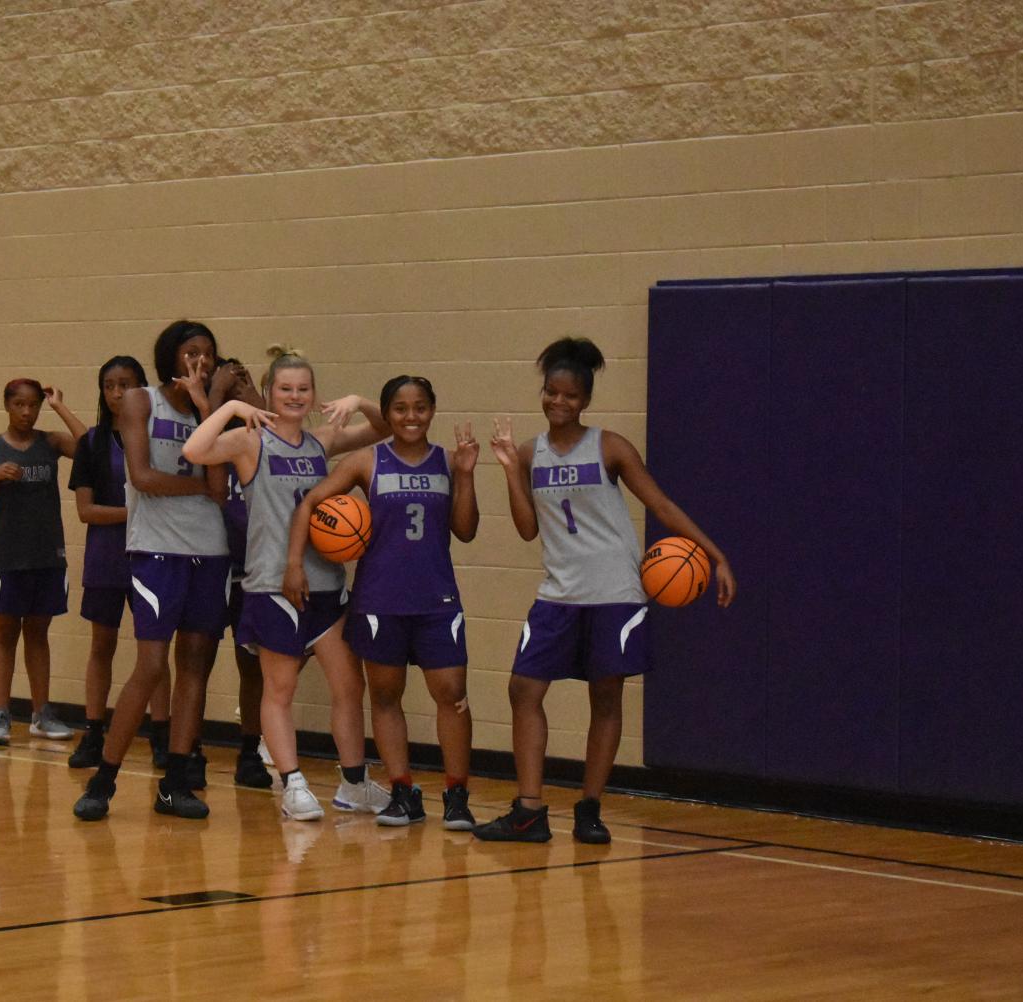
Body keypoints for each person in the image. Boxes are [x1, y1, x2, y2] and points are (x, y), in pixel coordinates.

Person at [472, 338, 737, 843]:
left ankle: (589, 808)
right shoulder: (530, 453)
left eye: (570, 396)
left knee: (606, 698)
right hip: (558, 592)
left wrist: (715, 554)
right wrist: (509, 470)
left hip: (615, 591)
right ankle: (529, 810)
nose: (559, 402)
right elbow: (528, 529)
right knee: (522, 689)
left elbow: (661, 506)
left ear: (585, 401)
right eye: (552, 392)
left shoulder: (610, 446)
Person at [183, 347, 394, 822]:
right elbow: (194, 451)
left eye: (303, 389)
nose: (295, 396)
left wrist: (360, 400)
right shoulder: (249, 441)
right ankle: (293, 783)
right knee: (279, 690)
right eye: (285, 389)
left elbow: (385, 429)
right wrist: (233, 408)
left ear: (313, 394)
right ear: (270, 391)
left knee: (348, 685)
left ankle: (354, 784)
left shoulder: (321, 443)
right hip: (273, 584)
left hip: (325, 584)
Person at [288, 375, 480, 830]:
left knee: (452, 696)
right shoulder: (365, 461)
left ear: (432, 410)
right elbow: (311, 503)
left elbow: (467, 530)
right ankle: (402, 792)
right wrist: (295, 562)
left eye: (419, 408)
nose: (409, 417)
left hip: (437, 598)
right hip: (380, 599)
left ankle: (457, 795)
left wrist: (468, 475)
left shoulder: (450, 462)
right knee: (386, 697)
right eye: (399, 408)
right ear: (388, 413)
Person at [72, 320, 232, 821]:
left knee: (195, 668)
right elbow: (142, 477)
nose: (200, 362)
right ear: (170, 358)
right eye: (190, 353)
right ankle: (105, 779)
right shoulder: (142, 401)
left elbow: (222, 487)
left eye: (207, 354)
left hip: (210, 549)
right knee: (151, 666)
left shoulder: (216, 413)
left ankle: (176, 781)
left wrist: (211, 409)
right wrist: (200, 487)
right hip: (156, 549)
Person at [65, 356, 174, 769]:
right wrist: (136, 512)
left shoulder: (160, 438)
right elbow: (86, 511)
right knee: (102, 646)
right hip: (107, 557)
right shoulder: (91, 443)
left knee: (155, 652)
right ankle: (94, 732)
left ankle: (160, 734)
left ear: (142, 389)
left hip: (154, 554)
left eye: (124, 385)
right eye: (108, 385)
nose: (115, 393)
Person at [0, 378, 87, 746]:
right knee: (5, 633)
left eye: (33, 405)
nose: (26, 412)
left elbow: (90, 446)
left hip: (47, 553)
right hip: (6, 554)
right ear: (7, 405)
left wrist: (60, 407)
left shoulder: (50, 442)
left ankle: (41, 714)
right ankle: (1, 714)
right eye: (19, 404)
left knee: (38, 633)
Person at [216, 357, 273, 790]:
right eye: (229, 384)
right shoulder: (216, 441)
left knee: (277, 665)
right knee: (247, 666)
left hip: (271, 566)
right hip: (228, 566)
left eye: (246, 382)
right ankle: (249, 750)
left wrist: (249, 392)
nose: (240, 391)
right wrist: (220, 396)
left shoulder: (271, 436)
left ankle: (270, 739)